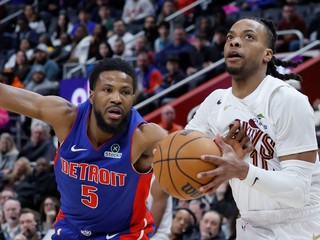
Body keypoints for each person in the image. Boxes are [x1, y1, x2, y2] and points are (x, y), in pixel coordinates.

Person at [0, 57, 167, 239]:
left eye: (126, 92)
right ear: (92, 96)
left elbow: (189, 162)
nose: (117, 98)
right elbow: (6, 95)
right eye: (107, 90)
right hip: (72, 228)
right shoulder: (66, 118)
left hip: (124, 233)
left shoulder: (146, 136)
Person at [185, 17, 320, 239]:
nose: (235, 42)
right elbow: (184, 154)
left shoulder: (286, 99)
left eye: (248, 37)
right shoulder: (215, 101)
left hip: (301, 222)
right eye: (230, 37)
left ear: (268, 54)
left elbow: (298, 192)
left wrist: (242, 170)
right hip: (251, 223)